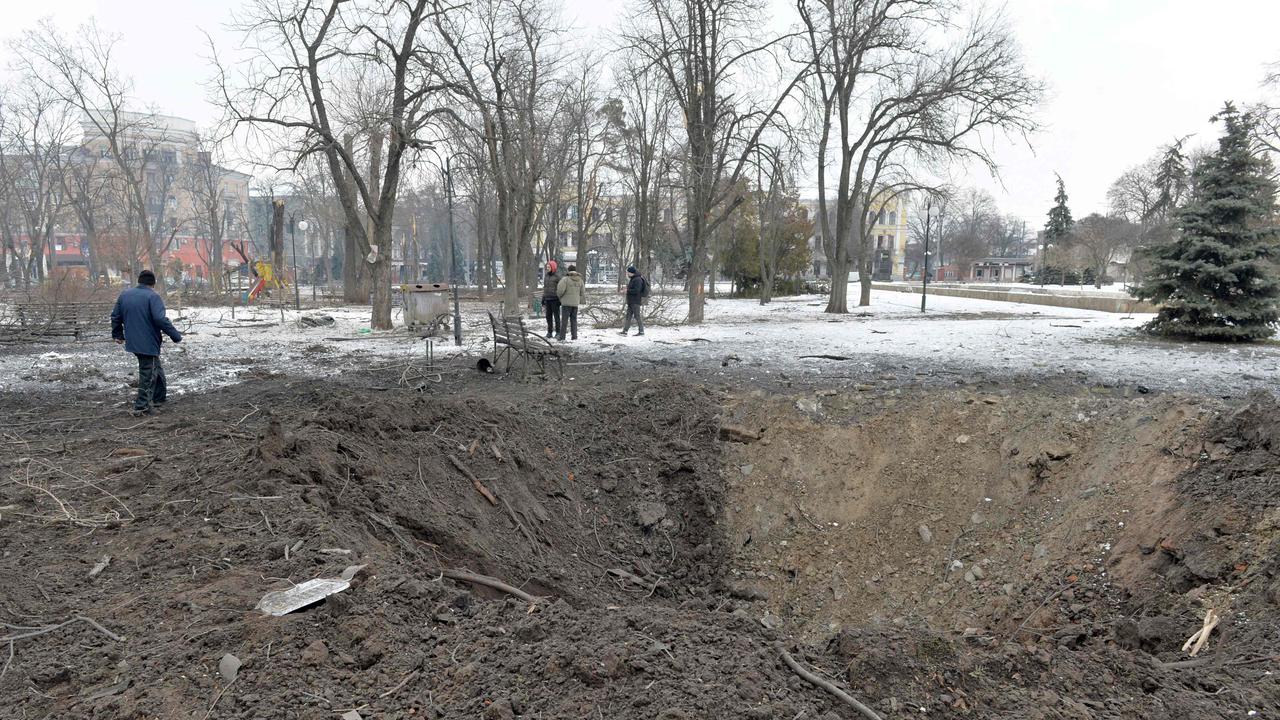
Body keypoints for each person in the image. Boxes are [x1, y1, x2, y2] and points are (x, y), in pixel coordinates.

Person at [111, 270, 183, 415]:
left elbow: (115, 316)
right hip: (147, 341)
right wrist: (175, 335)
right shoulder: (153, 296)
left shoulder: (125, 295)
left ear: (139, 281)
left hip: (133, 340)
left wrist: (118, 334)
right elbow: (160, 319)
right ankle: (142, 406)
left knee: (155, 367)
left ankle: (159, 398)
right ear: (153, 283)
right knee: (147, 373)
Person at [555, 264, 585, 341]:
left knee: (564, 321)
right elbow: (582, 292)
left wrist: (560, 297)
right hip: (575, 303)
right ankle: (574, 336)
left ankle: (562, 337)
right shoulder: (580, 280)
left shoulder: (565, 279)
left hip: (566, 303)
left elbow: (560, 291)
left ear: (568, 270)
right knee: (574, 320)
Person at [620, 265, 648, 336]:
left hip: (635, 301)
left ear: (632, 272)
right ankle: (625, 331)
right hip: (631, 301)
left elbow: (637, 290)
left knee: (637, 316)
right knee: (628, 316)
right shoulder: (633, 278)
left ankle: (641, 331)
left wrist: (627, 291)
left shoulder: (637, 279)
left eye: (628, 272)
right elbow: (633, 288)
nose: (627, 274)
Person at [542, 260, 561, 338]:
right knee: (548, 317)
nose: (547, 268)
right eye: (547, 267)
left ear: (553, 267)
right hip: (547, 299)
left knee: (556, 316)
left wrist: (559, 299)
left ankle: (558, 332)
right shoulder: (546, 276)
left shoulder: (557, 277)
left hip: (555, 299)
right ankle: (549, 332)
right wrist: (543, 298)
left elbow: (561, 288)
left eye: (549, 267)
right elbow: (545, 288)